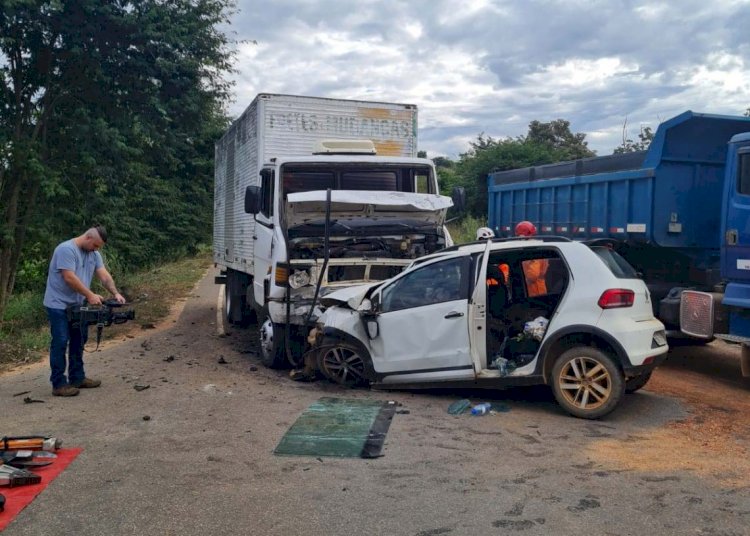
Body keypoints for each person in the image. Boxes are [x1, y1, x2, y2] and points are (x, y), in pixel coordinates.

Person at [43, 226, 126, 397]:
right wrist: (89, 294)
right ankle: (58, 384)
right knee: (60, 341)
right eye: (95, 245)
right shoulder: (66, 249)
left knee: (79, 339)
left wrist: (115, 293)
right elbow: (69, 277)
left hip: (77, 304)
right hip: (58, 304)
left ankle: (77, 377)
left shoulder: (93, 254)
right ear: (88, 238)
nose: (96, 249)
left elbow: (104, 275)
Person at [514, 221, 549, 297]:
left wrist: (523, 281)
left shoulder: (531, 250)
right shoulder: (539, 247)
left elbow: (533, 275)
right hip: (539, 289)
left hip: (534, 290)